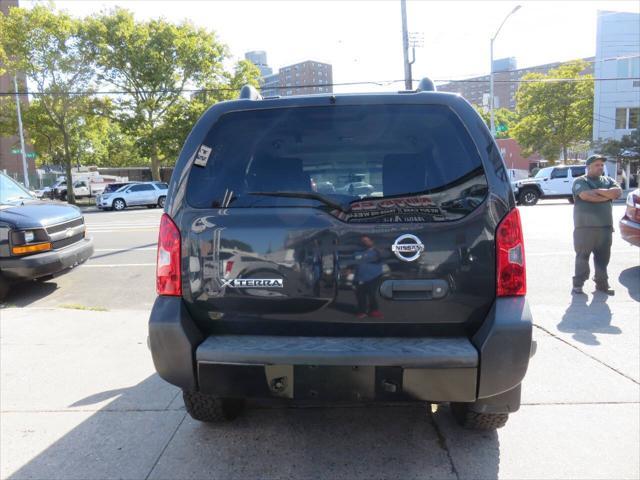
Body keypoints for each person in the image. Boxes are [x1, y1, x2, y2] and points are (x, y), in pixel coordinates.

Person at [571, 155, 622, 295]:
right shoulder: (581, 181)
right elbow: (586, 196)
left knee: (603, 258)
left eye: (601, 165)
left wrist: (598, 192)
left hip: (605, 227)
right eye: (597, 165)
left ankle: (602, 284)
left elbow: (617, 193)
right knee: (582, 257)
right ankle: (578, 284)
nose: (600, 167)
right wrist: (607, 195)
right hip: (584, 228)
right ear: (588, 167)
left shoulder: (608, 180)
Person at [353, 235, 385, 319]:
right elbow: (353, 263)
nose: (364, 242)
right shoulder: (357, 252)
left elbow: (383, 256)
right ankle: (362, 311)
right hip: (359, 277)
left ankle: (374, 311)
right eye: (363, 241)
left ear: (372, 241)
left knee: (372, 294)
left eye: (366, 240)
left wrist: (378, 250)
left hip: (374, 277)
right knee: (360, 295)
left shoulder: (377, 251)